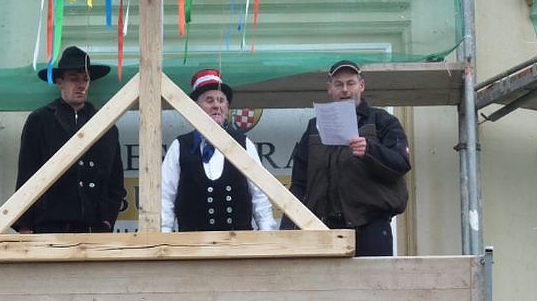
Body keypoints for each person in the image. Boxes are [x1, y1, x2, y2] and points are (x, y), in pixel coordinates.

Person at [281, 60, 410, 256]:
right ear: (329, 89)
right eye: (338, 84)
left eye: (350, 83)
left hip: (371, 227)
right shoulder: (314, 127)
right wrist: (288, 228)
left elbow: (401, 163)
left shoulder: (382, 121)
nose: (345, 90)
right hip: (323, 229)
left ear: (361, 86)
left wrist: (370, 151)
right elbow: (299, 184)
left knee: (374, 277)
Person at [13, 46, 126, 233]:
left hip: (93, 229)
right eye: (74, 79)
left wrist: (107, 220)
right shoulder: (40, 120)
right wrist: (25, 225)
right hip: (49, 226)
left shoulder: (106, 126)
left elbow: (115, 180)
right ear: (60, 82)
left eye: (85, 79)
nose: (81, 85)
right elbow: (27, 173)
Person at [161, 68, 277, 232]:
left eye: (221, 100)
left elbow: (259, 195)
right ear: (195, 107)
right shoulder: (180, 146)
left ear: (227, 107)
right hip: (191, 245)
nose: (217, 105)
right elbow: (165, 197)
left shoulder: (243, 144)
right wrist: (164, 235)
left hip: (239, 244)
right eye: (209, 100)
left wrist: (266, 234)